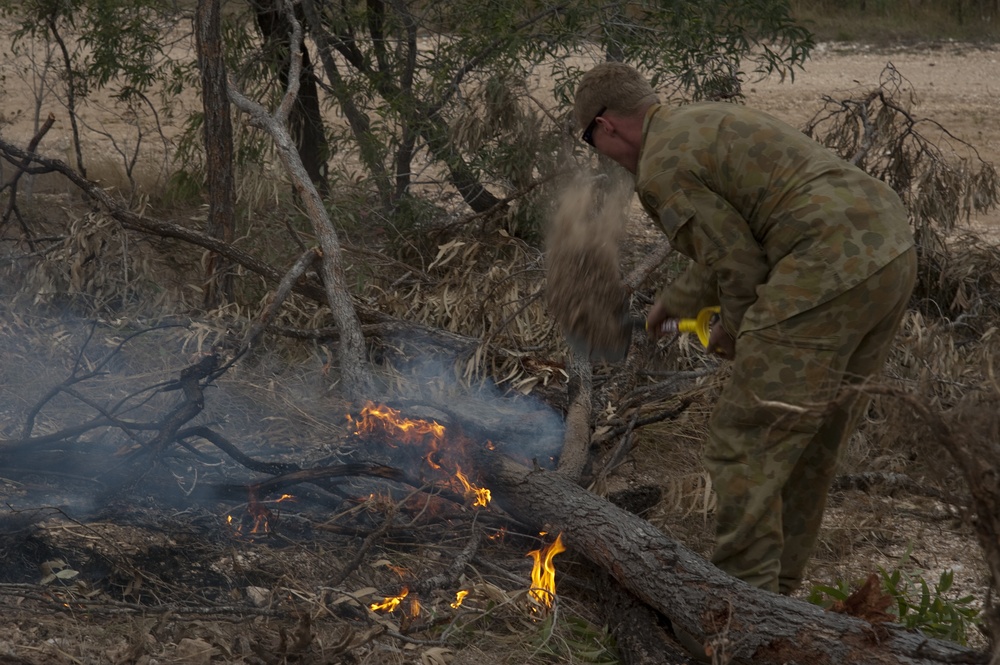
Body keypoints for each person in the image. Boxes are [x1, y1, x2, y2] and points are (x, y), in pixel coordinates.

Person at [573, 62, 916, 596]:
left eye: (590, 138)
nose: (599, 152)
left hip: (823, 263)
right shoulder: (700, 120)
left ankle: (742, 607)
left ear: (606, 125)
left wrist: (734, 330)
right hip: (889, 249)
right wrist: (674, 302)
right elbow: (733, 240)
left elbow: (740, 268)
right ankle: (777, 596)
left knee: (746, 441)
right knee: (809, 438)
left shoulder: (661, 169)